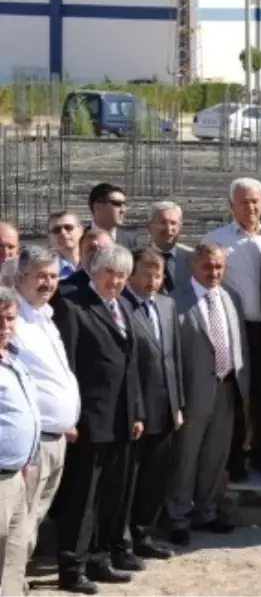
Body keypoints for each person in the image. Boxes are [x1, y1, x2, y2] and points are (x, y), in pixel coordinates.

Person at [53, 244, 144, 593]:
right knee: (82, 497)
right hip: (90, 421)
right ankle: (72, 566)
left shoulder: (121, 305)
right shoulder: (74, 305)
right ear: (94, 270)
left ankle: (100, 557)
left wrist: (135, 411)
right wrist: (72, 418)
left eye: (122, 276)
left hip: (121, 419)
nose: (116, 282)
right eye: (111, 274)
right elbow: (70, 368)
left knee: (111, 495)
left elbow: (129, 364)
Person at [166, 244, 248, 546]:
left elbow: (241, 345)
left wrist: (244, 389)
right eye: (207, 267)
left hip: (227, 388)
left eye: (218, 267)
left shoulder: (231, 298)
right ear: (192, 266)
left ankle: (206, 510)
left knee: (216, 455)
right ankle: (177, 515)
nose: (213, 273)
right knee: (185, 456)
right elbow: (170, 356)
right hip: (192, 393)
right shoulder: (174, 303)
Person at [201, 177, 261, 480]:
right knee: (234, 396)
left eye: (256, 200)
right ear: (231, 204)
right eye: (244, 201)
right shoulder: (216, 240)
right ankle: (234, 456)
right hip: (233, 329)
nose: (251, 207)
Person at [12, 246, 79, 572]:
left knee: (35, 517)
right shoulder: (13, 322)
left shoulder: (47, 317)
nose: (49, 282)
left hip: (58, 438)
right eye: (41, 275)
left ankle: (16, 580)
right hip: (34, 443)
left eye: (53, 276)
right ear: (21, 276)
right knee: (19, 522)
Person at [120, 248, 184, 562]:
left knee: (155, 478)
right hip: (135, 411)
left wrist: (178, 403)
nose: (152, 281)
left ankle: (144, 534)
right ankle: (123, 541)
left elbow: (174, 358)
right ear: (131, 274)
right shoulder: (121, 307)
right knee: (128, 481)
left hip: (166, 408)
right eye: (146, 274)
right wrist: (134, 410)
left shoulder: (168, 305)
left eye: (157, 274)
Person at [0, 285, 42, 597]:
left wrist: (27, 457)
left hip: (17, 474)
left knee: (14, 557)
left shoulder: (13, 356)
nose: (5, 327)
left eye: (10, 319)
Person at [146, 201, 193, 294]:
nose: (168, 229)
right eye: (163, 222)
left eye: (173, 223)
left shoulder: (192, 258)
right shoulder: (138, 259)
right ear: (149, 227)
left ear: (180, 228)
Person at [85, 182, 139, 249]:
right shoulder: (80, 237)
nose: (123, 210)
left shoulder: (130, 238)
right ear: (98, 207)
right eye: (117, 204)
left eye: (125, 204)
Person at [46, 211, 83, 279]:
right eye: (56, 230)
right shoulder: (45, 270)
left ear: (81, 230)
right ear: (49, 237)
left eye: (68, 227)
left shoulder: (96, 263)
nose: (63, 233)